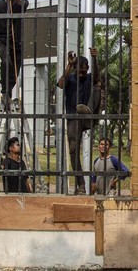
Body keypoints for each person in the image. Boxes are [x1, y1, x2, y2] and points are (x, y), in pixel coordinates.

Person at [57, 47, 100, 194]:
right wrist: (69, 65)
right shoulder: (71, 77)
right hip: (74, 116)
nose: (82, 74)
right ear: (76, 69)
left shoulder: (89, 77)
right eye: (79, 71)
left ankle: (88, 109)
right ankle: (80, 184)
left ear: (87, 68)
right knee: (73, 151)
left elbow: (97, 78)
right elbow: (61, 84)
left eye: (84, 71)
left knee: (97, 87)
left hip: (87, 116)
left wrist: (94, 59)